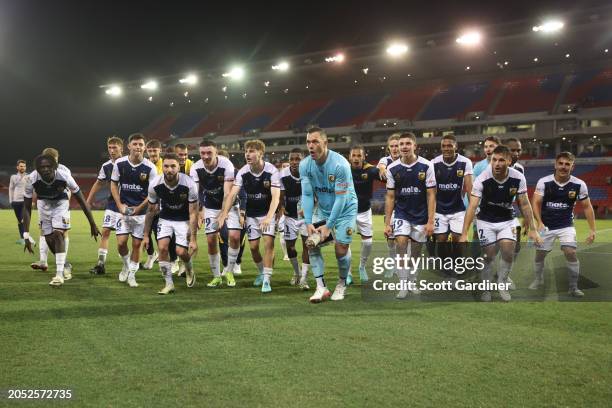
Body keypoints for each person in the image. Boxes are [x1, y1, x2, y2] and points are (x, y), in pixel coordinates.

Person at [460, 145, 541, 302]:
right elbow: (472, 206)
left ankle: (502, 283)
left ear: (509, 161)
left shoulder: (518, 177)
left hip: (507, 220)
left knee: (508, 250)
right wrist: (464, 233)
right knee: (488, 255)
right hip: (485, 220)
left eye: (501, 160)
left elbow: (524, 203)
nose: (496, 164)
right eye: (494, 160)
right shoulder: (483, 178)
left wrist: (533, 228)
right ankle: (486, 288)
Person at [300, 127, 358, 303]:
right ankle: (321, 287)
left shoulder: (340, 165)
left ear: (325, 143)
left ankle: (341, 284)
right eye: (308, 142)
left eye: (315, 141)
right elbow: (308, 195)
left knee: (341, 249)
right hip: (324, 209)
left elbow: (341, 199)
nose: (311, 146)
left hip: (345, 209)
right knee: (311, 244)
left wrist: (328, 226)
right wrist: (309, 221)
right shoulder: (305, 165)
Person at [22, 154, 100, 286]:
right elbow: (27, 207)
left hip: (61, 203)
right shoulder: (31, 179)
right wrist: (26, 234)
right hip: (44, 205)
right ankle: (65, 264)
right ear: (37, 169)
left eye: (48, 166)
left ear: (54, 166)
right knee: (48, 238)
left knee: (58, 234)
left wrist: (92, 223)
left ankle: (59, 274)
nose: (45, 169)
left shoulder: (64, 176)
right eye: (42, 167)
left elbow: (82, 201)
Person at [530, 152, 596, 297]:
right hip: (545, 226)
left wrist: (592, 230)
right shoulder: (544, 182)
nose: (563, 167)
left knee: (570, 252)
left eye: (567, 164)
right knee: (539, 255)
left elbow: (587, 207)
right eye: (561, 163)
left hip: (566, 225)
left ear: (573, 167)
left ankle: (573, 287)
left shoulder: (579, 184)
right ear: (555, 164)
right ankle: (538, 279)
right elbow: (535, 202)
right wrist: (539, 222)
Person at [218, 139, 280, 293]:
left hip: (267, 213)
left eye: (252, 151)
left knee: (268, 244)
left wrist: (268, 217)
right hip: (251, 215)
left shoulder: (272, 171)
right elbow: (232, 194)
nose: (248, 154)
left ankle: (266, 279)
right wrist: (224, 214)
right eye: (246, 151)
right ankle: (261, 272)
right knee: (253, 248)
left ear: (261, 153)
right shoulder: (243, 172)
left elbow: (276, 197)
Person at [384, 132, 436, 299]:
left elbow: (431, 195)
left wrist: (430, 221)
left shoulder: (427, 166)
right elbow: (390, 196)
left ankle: (412, 279)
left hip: (421, 215)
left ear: (415, 146)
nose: (404, 147)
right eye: (401, 144)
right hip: (402, 213)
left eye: (408, 143)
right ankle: (403, 283)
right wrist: (387, 223)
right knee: (401, 244)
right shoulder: (392, 168)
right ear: (397, 147)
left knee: (415, 251)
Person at [143, 153, 199, 294]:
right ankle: (169, 284)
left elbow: (193, 212)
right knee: (162, 248)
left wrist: (193, 238)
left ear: (178, 167)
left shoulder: (189, 184)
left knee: (181, 252)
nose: (169, 169)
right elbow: (150, 211)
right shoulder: (155, 184)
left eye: (173, 166)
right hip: (165, 218)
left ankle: (189, 267)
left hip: (183, 219)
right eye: (166, 166)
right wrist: (145, 235)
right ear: (162, 167)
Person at [110, 133, 157, 287]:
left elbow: (152, 194)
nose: (138, 147)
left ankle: (132, 274)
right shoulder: (120, 164)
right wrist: (120, 205)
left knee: (137, 245)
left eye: (140, 144)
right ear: (129, 146)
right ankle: (125, 265)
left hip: (141, 214)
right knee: (121, 243)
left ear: (144, 147)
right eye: (135, 144)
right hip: (123, 212)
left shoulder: (150, 167)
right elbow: (113, 185)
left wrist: (139, 208)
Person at [190, 140, 238, 288]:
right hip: (210, 206)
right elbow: (195, 195)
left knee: (234, 237)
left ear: (216, 152)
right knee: (211, 239)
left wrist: (223, 214)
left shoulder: (226, 165)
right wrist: (199, 213)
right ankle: (216, 276)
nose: (205, 156)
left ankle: (229, 271)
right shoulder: (195, 168)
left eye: (209, 152)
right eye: (202, 153)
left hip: (230, 205)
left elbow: (227, 193)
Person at [430, 135, 473, 281]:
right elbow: (431, 190)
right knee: (441, 240)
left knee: (458, 240)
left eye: (450, 145)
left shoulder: (465, 162)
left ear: (456, 147)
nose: (447, 148)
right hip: (439, 210)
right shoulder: (434, 163)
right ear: (441, 148)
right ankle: (446, 269)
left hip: (458, 209)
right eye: (444, 146)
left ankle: (458, 266)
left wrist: (474, 209)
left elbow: (469, 188)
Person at [30, 147, 73, 272]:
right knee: (43, 231)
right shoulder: (39, 171)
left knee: (62, 232)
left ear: (57, 159)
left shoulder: (64, 170)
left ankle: (63, 262)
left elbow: (70, 188)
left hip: (61, 203)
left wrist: (66, 203)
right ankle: (43, 261)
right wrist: (34, 201)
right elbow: (35, 188)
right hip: (45, 203)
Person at [87, 136, 124, 275]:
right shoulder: (106, 166)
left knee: (122, 239)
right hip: (112, 203)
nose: (112, 150)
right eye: (110, 147)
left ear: (121, 148)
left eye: (115, 147)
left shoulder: (127, 163)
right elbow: (98, 183)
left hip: (127, 204)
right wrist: (88, 201)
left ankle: (129, 264)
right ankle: (100, 264)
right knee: (106, 232)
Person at [348, 145, 381, 284]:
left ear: (363, 157)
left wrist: (383, 168)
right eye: (354, 156)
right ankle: (347, 272)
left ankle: (362, 267)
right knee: (345, 243)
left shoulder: (371, 170)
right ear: (349, 157)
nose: (356, 159)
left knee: (367, 243)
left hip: (365, 211)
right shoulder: (344, 169)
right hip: (347, 212)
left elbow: (387, 178)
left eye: (359, 156)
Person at [279, 148, 310, 290]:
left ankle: (304, 278)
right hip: (290, 216)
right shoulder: (283, 175)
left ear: (304, 160)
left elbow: (314, 193)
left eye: (298, 159)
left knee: (307, 246)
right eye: (292, 159)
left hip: (306, 216)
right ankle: (297, 273)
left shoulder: (309, 173)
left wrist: (311, 207)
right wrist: (282, 206)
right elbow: (281, 194)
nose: (294, 162)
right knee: (290, 247)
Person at [376, 133, 401, 277]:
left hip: (406, 203)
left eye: (397, 145)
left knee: (404, 238)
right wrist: (383, 169)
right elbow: (381, 165)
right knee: (390, 238)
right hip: (392, 204)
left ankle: (402, 266)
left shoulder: (406, 160)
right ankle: (392, 264)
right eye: (392, 146)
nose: (395, 148)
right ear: (388, 148)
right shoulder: (385, 160)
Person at [141, 139, 164, 270]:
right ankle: (151, 255)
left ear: (160, 150)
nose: (152, 153)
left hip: (162, 205)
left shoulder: (165, 165)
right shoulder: (144, 165)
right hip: (147, 204)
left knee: (159, 233)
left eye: (154, 151)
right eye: (149, 151)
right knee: (145, 232)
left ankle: (166, 258)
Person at [9, 159, 35, 245]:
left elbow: (32, 188)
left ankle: (27, 237)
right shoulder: (13, 177)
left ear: (25, 167)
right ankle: (22, 238)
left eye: (24, 166)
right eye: (21, 166)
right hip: (16, 201)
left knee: (25, 219)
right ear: (17, 167)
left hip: (25, 200)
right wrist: (11, 200)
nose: (22, 167)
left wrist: (32, 200)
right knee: (19, 220)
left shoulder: (29, 176)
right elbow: (11, 189)